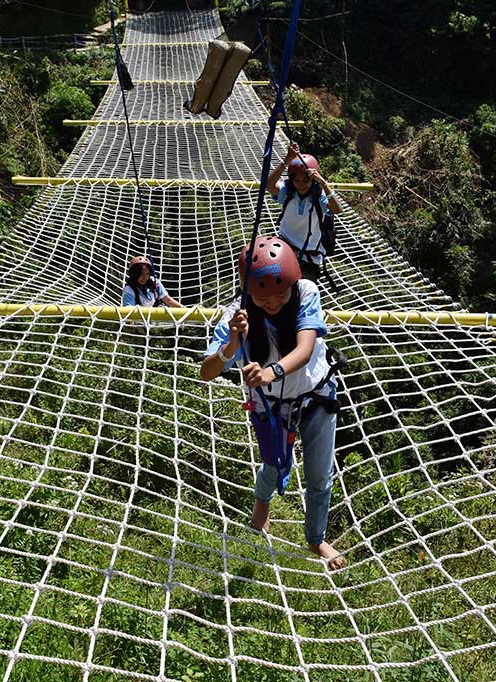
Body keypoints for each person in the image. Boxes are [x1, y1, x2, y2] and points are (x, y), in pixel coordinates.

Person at [200, 236, 345, 570]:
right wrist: (232, 344)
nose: (274, 302)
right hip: (270, 405)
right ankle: (261, 506)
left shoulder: (306, 291)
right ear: (249, 290)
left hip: (316, 395)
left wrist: (270, 372)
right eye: (263, 297)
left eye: (280, 293)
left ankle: (315, 538)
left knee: (320, 474)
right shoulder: (235, 314)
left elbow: (305, 347)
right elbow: (208, 371)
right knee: (275, 465)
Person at [266, 143, 343, 282]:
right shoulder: (288, 191)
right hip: (283, 250)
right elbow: (269, 186)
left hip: (308, 259)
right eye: (297, 180)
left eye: (305, 181)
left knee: (299, 293)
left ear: (313, 181)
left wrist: (324, 184)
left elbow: (337, 210)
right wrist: (286, 160)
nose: (301, 184)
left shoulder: (319, 196)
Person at [186, 5, 263, 118]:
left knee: (215, 60)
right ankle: (213, 108)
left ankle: (197, 104)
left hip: (252, 16)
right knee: (231, 71)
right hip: (259, 23)